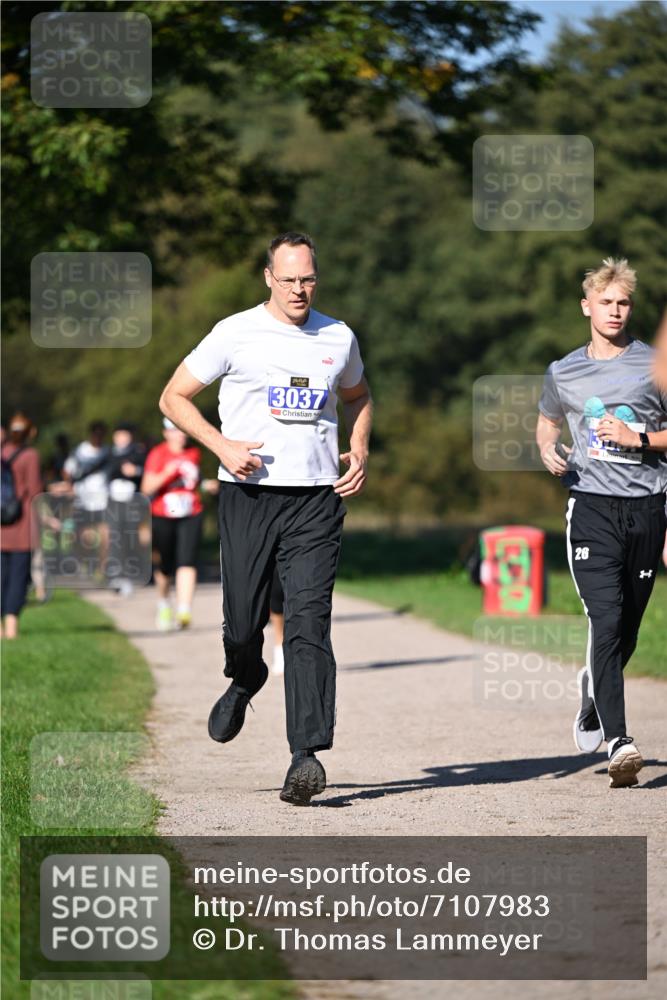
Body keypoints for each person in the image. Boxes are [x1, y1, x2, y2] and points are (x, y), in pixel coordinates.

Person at [159, 231, 372, 805]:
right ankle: (246, 675)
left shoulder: (337, 335)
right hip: (247, 495)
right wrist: (220, 445)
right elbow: (173, 398)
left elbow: (359, 395)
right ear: (268, 278)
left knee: (308, 623)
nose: (299, 289)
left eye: (308, 279)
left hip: (316, 500)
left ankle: (306, 754)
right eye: (289, 279)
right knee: (241, 622)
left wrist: (362, 447)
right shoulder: (234, 332)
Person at [537, 258, 667, 788]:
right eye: (606, 302)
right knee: (606, 619)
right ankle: (621, 741)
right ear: (586, 307)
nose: (615, 311)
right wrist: (548, 448)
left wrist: (637, 439)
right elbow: (547, 422)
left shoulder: (654, 365)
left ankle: (594, 687)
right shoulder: (563, 370)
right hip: (590, 507)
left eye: (624, 303)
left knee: (627, 629)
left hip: (648, 506)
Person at [141, 417, 204, 630]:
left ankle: (184, 609)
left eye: (183, 431)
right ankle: (164, 602)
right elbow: (147, 488)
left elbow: (196, 482)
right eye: (176, 431)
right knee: (165, 565)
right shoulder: (157, 454)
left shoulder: (194, 453)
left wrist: (207, 486)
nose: (181, 435)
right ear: (166, 433)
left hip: (191, 512)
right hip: (162, 514)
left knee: (187, 560)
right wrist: (167, 473)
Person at [1, 413, 43, 639]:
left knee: (1, 576)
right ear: (30, 432)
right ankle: (11, 628)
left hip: (1, 526)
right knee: (18, 577)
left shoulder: (2, 453)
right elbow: (35, 491)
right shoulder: (31, 455)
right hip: (21, 526)